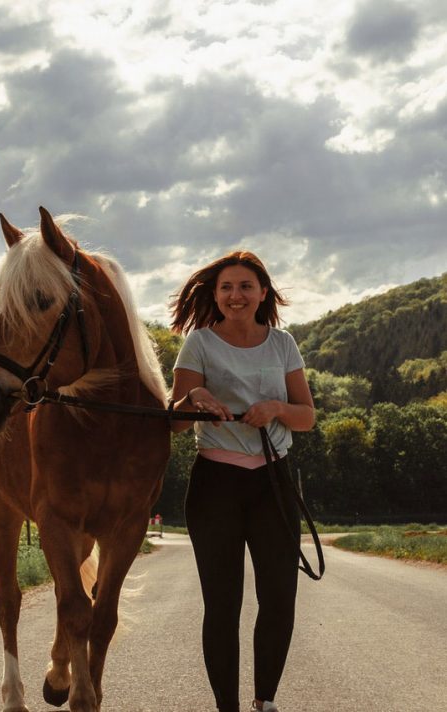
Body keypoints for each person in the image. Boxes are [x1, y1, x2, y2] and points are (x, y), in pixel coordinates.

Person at [169, 251, 315, 712]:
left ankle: (265, 700)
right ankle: (226, 707)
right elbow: (174, 423)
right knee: (222, 605)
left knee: (280, 599)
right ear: (215, 295)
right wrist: (194, 395)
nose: (236, 295)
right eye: (227, 287)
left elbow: (307, 417)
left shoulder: (283, 344)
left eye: (246, 286)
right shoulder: (198, 343)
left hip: (273, 483)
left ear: (262, 292)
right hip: (216, 483)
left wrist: (276, 408)